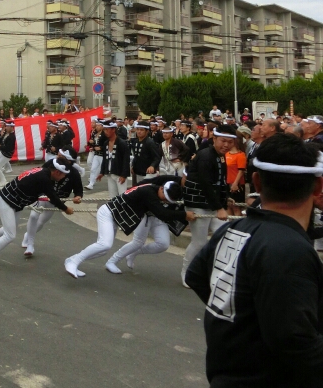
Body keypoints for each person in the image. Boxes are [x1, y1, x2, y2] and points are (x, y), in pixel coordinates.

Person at [186, 134, 323, 387]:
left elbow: (196, 275)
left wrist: (240, 316)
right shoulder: (289, 249)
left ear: (257, 182)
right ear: (317, 187)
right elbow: (296, 342)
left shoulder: (234, 228)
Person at [65, 177, 194, 278]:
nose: (165, 201)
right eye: (165, 197)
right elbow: (162, 213)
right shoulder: (149, 192)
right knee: (104, 244)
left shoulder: (153, 189)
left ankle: (72, 260)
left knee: (103, 250)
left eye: (168, 201)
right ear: (161, 188)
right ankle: (74, 261)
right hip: (108, 213)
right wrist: (184, 215)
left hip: (116, 217)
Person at [0, 159, 74, 270]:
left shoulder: (43, 171)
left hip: (15, 202)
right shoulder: (44, 178)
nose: (63, 177)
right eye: (63, 175)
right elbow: (53, 197)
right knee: (10, 235)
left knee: (11, 227)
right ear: (57, 172)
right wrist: (66, 209)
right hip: (6, 200)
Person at [180, 124, 237, 287]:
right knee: (199, 242)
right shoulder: (206, 155)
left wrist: (225, 198)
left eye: (230, 142)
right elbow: (206, 184)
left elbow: (219, 181)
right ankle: (186, 272)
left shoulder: (220, 156)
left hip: (212, 203)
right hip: (198, 203)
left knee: (224, 237)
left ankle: (213, 271)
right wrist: (220, 208)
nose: (226, 145)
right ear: (214, 138)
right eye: (223, 141)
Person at [104, 175, 188, 273]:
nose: (188, 182)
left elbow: (165, 213)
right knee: (138, 242)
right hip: (145, 214)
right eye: (187, 178)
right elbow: (144, 184)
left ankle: (134, 253)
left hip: (160, 217)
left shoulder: (190, 189)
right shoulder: (166, 181)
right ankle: (112, 261)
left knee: (163, 244)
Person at [21, 148, 83, 258]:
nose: (57, 157)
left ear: (68, 161)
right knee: (34, 216)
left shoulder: (74, 173)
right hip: (42, 196)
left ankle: (28, 235)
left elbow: (79, 190)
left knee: (41, 222)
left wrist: (78, 197)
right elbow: (39, 176)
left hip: (57, 200)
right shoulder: (51, 164)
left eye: (60, 156)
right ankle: (30, 244)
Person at [96, 120, 130, 198]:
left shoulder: (122, 143)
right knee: (112, 197)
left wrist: (124, 175)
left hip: (119, 174)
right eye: (104, 129)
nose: (105, 132)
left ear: (113, 129)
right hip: (110, 173)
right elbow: (105, 159)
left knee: (122, 197)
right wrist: (102, 172)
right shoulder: (106, 143)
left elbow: (126, 160)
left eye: (107, 129)